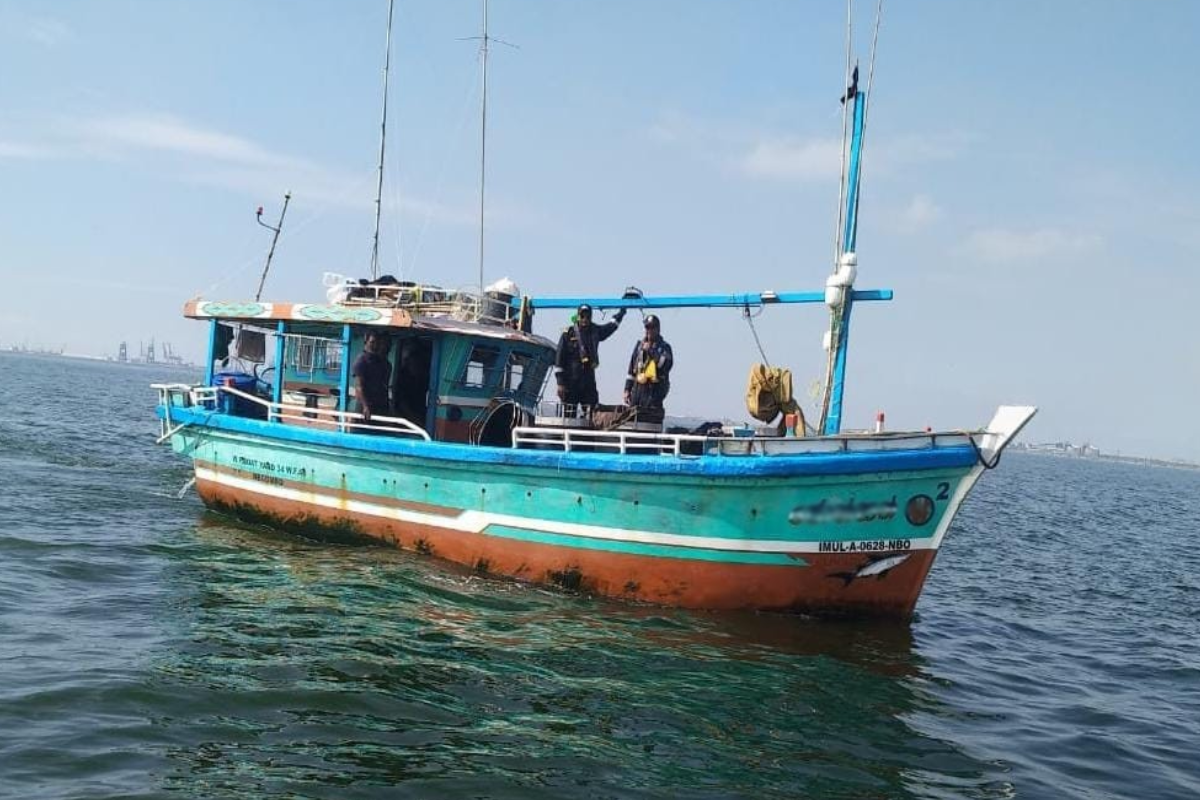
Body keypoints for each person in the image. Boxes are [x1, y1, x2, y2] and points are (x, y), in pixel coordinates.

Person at [554, 303, 626, 409]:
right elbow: (559, 360)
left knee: (592, 414)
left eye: (588, 316)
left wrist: (622, 311)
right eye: (582, 316)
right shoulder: (567, 334)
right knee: (569, 415)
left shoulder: (595, 330)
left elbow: (611, 327)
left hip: (588, 382)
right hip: (571, 382)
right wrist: (560, 383)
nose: (585, 319)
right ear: (578, 316)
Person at [624, 314, 673, 410]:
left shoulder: (665, 348)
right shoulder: (639, 346)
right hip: (637, 395)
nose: (649, 330)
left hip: (654, 396)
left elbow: (665, 365)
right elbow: (631, 371)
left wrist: (650, 351)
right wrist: (627, 389)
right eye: (647, 327)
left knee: (650, 421)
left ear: (658, 329)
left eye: (652, 327)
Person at [352, 330, 392, 426]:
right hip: (365, 408)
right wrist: (365, 406)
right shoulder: (361, 360)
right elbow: (359, 387)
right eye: (372, 342)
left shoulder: (381, 362)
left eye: (376, 343)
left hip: (379, 406)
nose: (374, 346)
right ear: (366, 342)